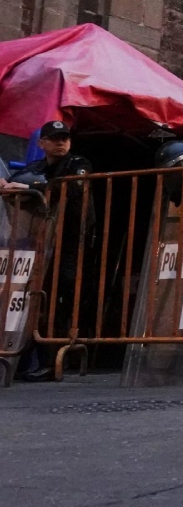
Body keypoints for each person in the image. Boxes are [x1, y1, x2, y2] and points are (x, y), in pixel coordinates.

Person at [8, 121, 95, 381]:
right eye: (54, 138)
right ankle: (32, 357)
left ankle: (60, 357)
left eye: (65, 138)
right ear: (41, 143)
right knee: (39, 296)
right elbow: (15, 184)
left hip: (71, 242)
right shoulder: (36, 167)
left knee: (61, 296)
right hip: (38, 243)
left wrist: (30, 188)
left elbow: (71, 187)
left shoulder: (79, 163)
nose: (60, 143)